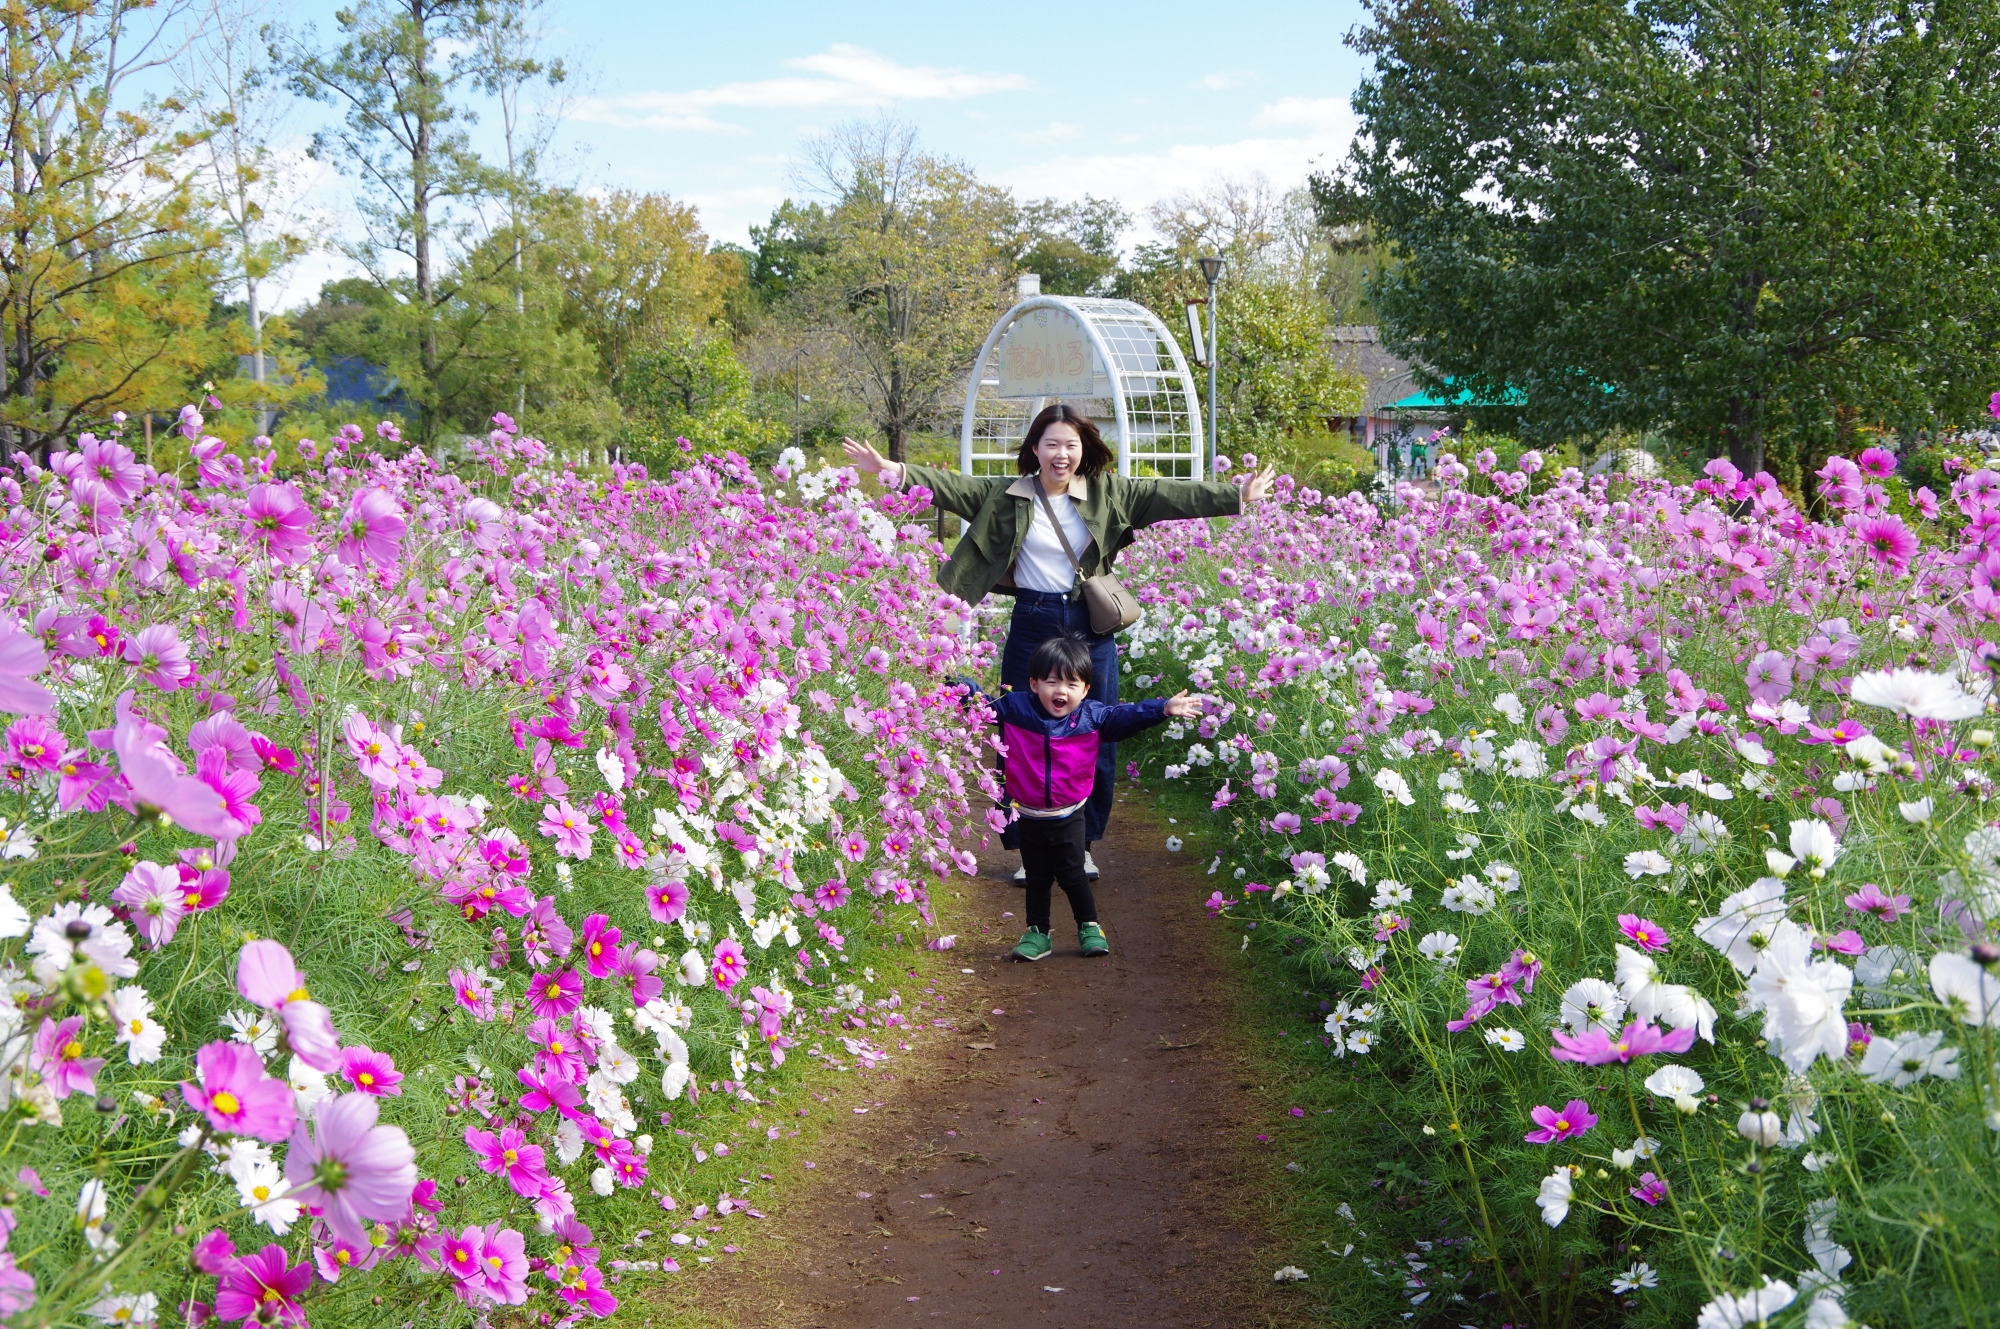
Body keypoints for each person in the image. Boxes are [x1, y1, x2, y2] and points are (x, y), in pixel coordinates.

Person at [842, 404, 1273, 880]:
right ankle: (1030, 850)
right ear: (1035, 449)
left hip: (1090, 622)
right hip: (1034, 616)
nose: (1061, 454)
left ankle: (1081, 844)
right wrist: (893, 470)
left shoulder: (1109, 492)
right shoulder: (1007, 494)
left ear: (1083, 448)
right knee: (1017, 732)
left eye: (1070, 444)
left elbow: (1168, 494)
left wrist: (1237, 494)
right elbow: (954, 486)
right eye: (1052, 444)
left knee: (1094, 731)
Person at [990, 636, 1206, 960]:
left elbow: (1127, 716)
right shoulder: (1015, 710)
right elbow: (976, 704)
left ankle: (1089, 925)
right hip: (1029, 814)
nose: (1060, 691)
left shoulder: (1092, 717)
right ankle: (1037, 932)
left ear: (1086, 689)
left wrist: (1162, 709)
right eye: (1051, 682)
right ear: (1034, 684)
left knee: (1073, 873)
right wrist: (950, 683)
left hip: (1069, 815)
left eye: (1071, 683)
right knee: (1036, 875)